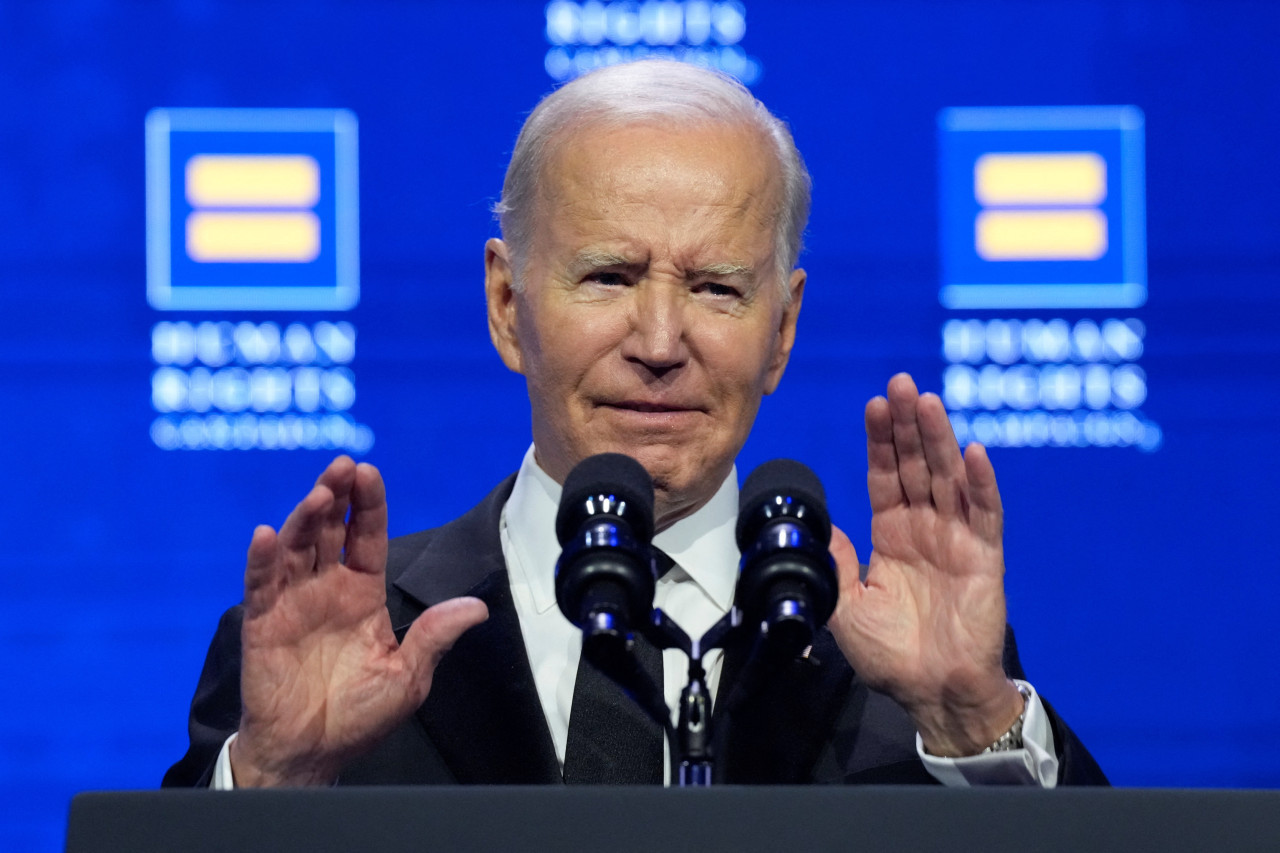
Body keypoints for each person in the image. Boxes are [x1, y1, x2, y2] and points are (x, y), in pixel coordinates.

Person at [165, 59, 1106, 789]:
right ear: (505, 304)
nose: (660, 341)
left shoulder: (907, 659)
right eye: (609, 276)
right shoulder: (335, 647)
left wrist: (970, 722)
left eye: (716, 288)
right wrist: (275, 782)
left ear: (781, 330)